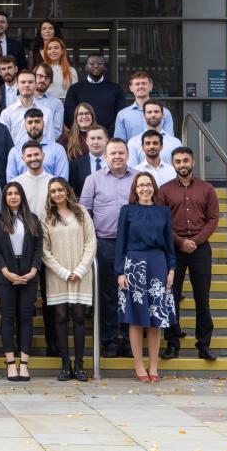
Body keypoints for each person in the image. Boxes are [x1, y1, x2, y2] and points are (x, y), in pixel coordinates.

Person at [158, 147, 219, 361]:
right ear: (173, 164)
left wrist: (196, 241)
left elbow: (213, 219)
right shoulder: (164, 191)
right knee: (171, 297)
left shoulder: (207, 188)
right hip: (174, 250)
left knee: (202, 298)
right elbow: (162, 221)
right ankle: (172, 343)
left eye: (185, 160)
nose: (182, 164)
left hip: (200, 249)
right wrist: (181, 242)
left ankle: (203, 344)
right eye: (178, 161)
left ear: (192, 162)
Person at [116, 172, 177, 382]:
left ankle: (153, 365)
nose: (145, 189)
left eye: (148, 185)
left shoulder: (164, 212)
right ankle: (139, 364)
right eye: (140, 185)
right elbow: (120, 243)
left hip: (158, 264)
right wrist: (120, 272)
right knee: (135, 319)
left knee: (155, 319)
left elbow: (169, 243)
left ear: (154, 188)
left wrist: (171, 270)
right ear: (135, 189)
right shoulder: (127, 211)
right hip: (133, 265)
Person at [80, 138, 136, 358]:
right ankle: (109, 341)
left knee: (132, 293)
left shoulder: (138, 178)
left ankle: (130, 340)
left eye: (121, 153)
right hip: (105, 242)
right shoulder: (93, 179)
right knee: (107, 294)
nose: (117, 157)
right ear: (105, 156)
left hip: (133, 245)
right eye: (113, 153)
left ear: (128, 155)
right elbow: (85, 212)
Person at [41, 177, 96, 381]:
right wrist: (63, 272)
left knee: (80, 317)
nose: (57, 194)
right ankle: (65, 365)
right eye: (53, 191)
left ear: (67, 191)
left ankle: (80, 366)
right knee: (61, 317)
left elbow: (91, 241)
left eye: (60, 190)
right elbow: (44, 250)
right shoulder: (46, 217)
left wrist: (80, 269)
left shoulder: (81, 212)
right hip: (58, 275)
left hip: (80, 272)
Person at [0, 182, 43, 382]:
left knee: (26, 317)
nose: (13, 197)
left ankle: (24, 365)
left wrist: (33, 270)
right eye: (9, 194)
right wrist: (5, 271)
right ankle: (11, 364)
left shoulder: (33, 220)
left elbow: (39, 247)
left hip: (29, 272)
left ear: (22, 196)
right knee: (7, 317)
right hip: (6, 274)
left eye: (16, 193)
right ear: (4, 197)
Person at [63, 53, 126, 133]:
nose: (96, 66)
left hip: (109, 138)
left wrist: (107, 134)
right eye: (92, 64)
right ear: (86, 67)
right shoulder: (74, 89)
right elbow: (69, 117)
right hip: (81, 138)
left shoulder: (116, 89)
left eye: (99, 63)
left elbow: (121, 115)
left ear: (104, 67)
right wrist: (83, 134)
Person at [6, 109, 69, 181]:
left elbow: (62, 182)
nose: (33, 125)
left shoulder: (57, 150)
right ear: (25, 125)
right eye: (30, 122)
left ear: (43, 123)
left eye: (37, 121)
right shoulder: (15, 152)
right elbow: (12, 183)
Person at [114, 71, 175, 142]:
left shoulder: (165, 112)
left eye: (144, 83)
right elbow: (120, 142)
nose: (140, 86)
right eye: (137, 84)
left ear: (151, 86)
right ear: (131, 88)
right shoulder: (122, 115)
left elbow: (169, 141)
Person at [0, 70, 57, 145]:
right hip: (16, 155)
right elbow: (4, 143)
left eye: (30, 82)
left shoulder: (46, 112)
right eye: (23, 82)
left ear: (35, 84)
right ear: (17, 85)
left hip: (42, 155)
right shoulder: (7, 113)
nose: (26, 85)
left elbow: (51, 142)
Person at [126, 100, 182, 166]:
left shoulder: (175, 143)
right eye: (149, 112)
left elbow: (179, 169)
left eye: (156, 112)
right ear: (144, 116)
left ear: (163, 115)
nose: (153, 115)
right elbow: (132, 170)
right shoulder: (133, 142)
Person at [69, 125, 108, 198]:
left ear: (106, 140)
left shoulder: (113, 163)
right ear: (87, 141)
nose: (96, 142)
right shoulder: (75, 165)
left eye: (99, 138)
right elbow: (72, 192)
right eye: (92, 138)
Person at [32, 64, 65, 141]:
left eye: (47, 78)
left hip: (47, 148)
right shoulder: (21, 99)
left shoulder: (57, 103)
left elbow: (56, 131)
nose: (43, 80)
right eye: (40, 76)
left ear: (50, 81)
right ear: (33, 76)